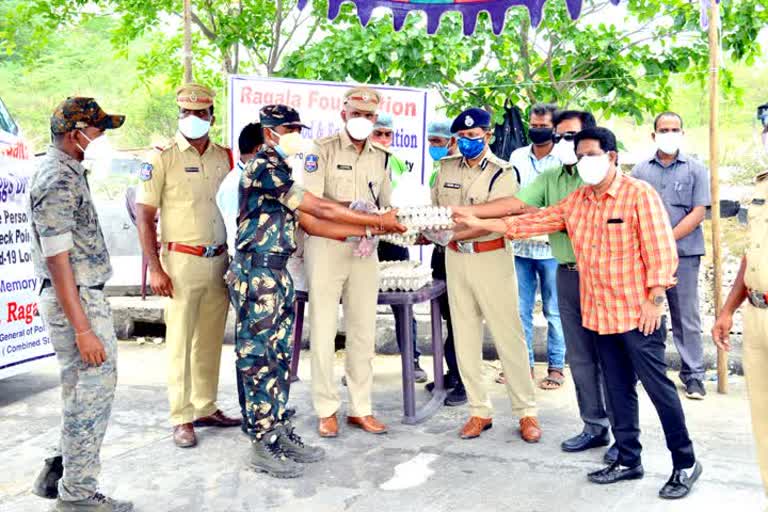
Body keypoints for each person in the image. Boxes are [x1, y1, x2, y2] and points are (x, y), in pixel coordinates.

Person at [458, 127, 702, 500]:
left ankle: (685, 462)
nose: (586, 162)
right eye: (581, 155)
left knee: (658, 389)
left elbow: (661, 249)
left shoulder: (639, 195)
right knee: (617, 390)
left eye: (592, 154)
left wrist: (655, 298)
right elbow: (532, 222)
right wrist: (480, 224)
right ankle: (628, 459)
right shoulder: (579, 200)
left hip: (639, 314)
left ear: (612, 156)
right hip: (600, 313)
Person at [233, 104, 405, 478]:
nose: (294, 133)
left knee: (278, 358)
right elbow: (317, 206)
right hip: (256, 272)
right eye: (287, 128)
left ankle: (277, 430)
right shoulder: (263, 166)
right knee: (258, 360)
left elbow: (311, 223)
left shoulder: (281, 167)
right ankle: (261, 441)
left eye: (297, 126)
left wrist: (369, 231)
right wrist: (374, 219)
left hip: (276, 273)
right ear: (269, 132)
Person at [453, 111, 617, 462]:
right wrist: (468, 216)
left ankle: (626, 437)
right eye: (562, 137)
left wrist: (652, 293)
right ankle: (594, 426)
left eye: (575, 137)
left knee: (614, 359)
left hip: (609, 277)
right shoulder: (553, 176)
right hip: (568, 272)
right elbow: (520, 208)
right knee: (583, 359)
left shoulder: (617, 185)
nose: (569, 144)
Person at [29, 97, 133, 511]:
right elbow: (57, 261)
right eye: (99, 130)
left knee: (79, 391)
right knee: (93, 392)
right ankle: (78, 496)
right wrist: (84, 329)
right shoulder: (57, 178)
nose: (103, 138)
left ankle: (59, 471)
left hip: (79, 295)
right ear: (77, 135)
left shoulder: (69, 170)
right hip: (77, 299)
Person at [135, 83, 241, 449]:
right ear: (179, 115)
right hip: (180, 260)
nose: (193, 119)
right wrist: (155, 268)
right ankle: (181, 417)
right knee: (180, 341)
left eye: (200, 113)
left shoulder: (225, 157)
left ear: (212, 116)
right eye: (186, 113)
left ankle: (205, 406)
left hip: (219, 259)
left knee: (211, 339)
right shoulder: (161, 157)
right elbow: (144, 215)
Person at [434, 107, 541, 442]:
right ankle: (479, 411)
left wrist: (460, 220)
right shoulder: (446, 167)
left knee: (509, 336)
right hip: (455, 259)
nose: (468, 142)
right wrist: (438, 231)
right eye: (463, 137)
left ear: (488, 135)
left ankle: (526, 412)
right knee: (464, 337)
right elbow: (437, 211)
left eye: (475, 136)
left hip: (491, 257)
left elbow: (508, 208)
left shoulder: (502, 171)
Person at [302, 86, 395, 438]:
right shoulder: (321, 151)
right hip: (326, 247)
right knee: (324, 330)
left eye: (368, 116)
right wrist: (357, 219)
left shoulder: (382, 156)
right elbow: (310, 204)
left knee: (362, 331)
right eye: (356, 114)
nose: (362, 121)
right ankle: (326, 409)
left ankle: (361, 408)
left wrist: (390, 220)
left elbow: (385, 204)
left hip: (365, 250)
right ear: (344, 115)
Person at [632, 112, 710, 400]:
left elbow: (698, 212)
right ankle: (649, 371)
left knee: (685, 315)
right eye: (663, 129)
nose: (669, 133)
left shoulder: (696, 169)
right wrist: (652, 245)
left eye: (674, 129)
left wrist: (665, 239)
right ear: (654, 135)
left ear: (682, 132)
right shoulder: (640, 171)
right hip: (647, 258)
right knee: (647, 311)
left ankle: (693, 375)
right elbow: (633, 212)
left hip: (685, 254)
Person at [712, 102, 768, 498]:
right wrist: (729, 308)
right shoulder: (762, 185)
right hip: (756, 312)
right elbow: (753, 252)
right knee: (763, 420)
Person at [507, 103, 566, 390]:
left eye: (543, 126)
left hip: (552, 249)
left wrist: (537, 213)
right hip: (520, 249)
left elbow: (562, 203)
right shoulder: (517, 156)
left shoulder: (562, 160)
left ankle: (556, 367)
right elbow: (511, 195)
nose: (537, 130)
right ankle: (524, 365)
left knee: (554, 311)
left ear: (554, 129)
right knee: (520, 310)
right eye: (534, 124)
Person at [371, 112, 428, 383]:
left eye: (387, 134)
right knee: (360, 304)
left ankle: (413, 360)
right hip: (363, 236)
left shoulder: (396, 163)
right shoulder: (357, 160)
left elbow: (403, 198)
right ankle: (360, 365)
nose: (383, 139)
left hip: (394, 238)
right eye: (377, 133)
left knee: (403, 304)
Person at [215, 122, 263, 431]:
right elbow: (243, 233)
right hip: (247, 269)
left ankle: (265, 408)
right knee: (251, 347)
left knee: (264, 345)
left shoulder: (251, 178)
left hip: (259, 269)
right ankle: (253, 414)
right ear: (260, 151)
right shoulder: (237, 183)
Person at [423, 119, 466, 406]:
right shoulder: (439, 173)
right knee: (447, 317)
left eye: (439, 142)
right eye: (431, 143)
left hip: (463, 250)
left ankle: (464, 382)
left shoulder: (467, 172)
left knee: (462, 321)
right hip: (441, 253)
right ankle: (451, 373)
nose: (434, 148)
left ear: (453, 142)